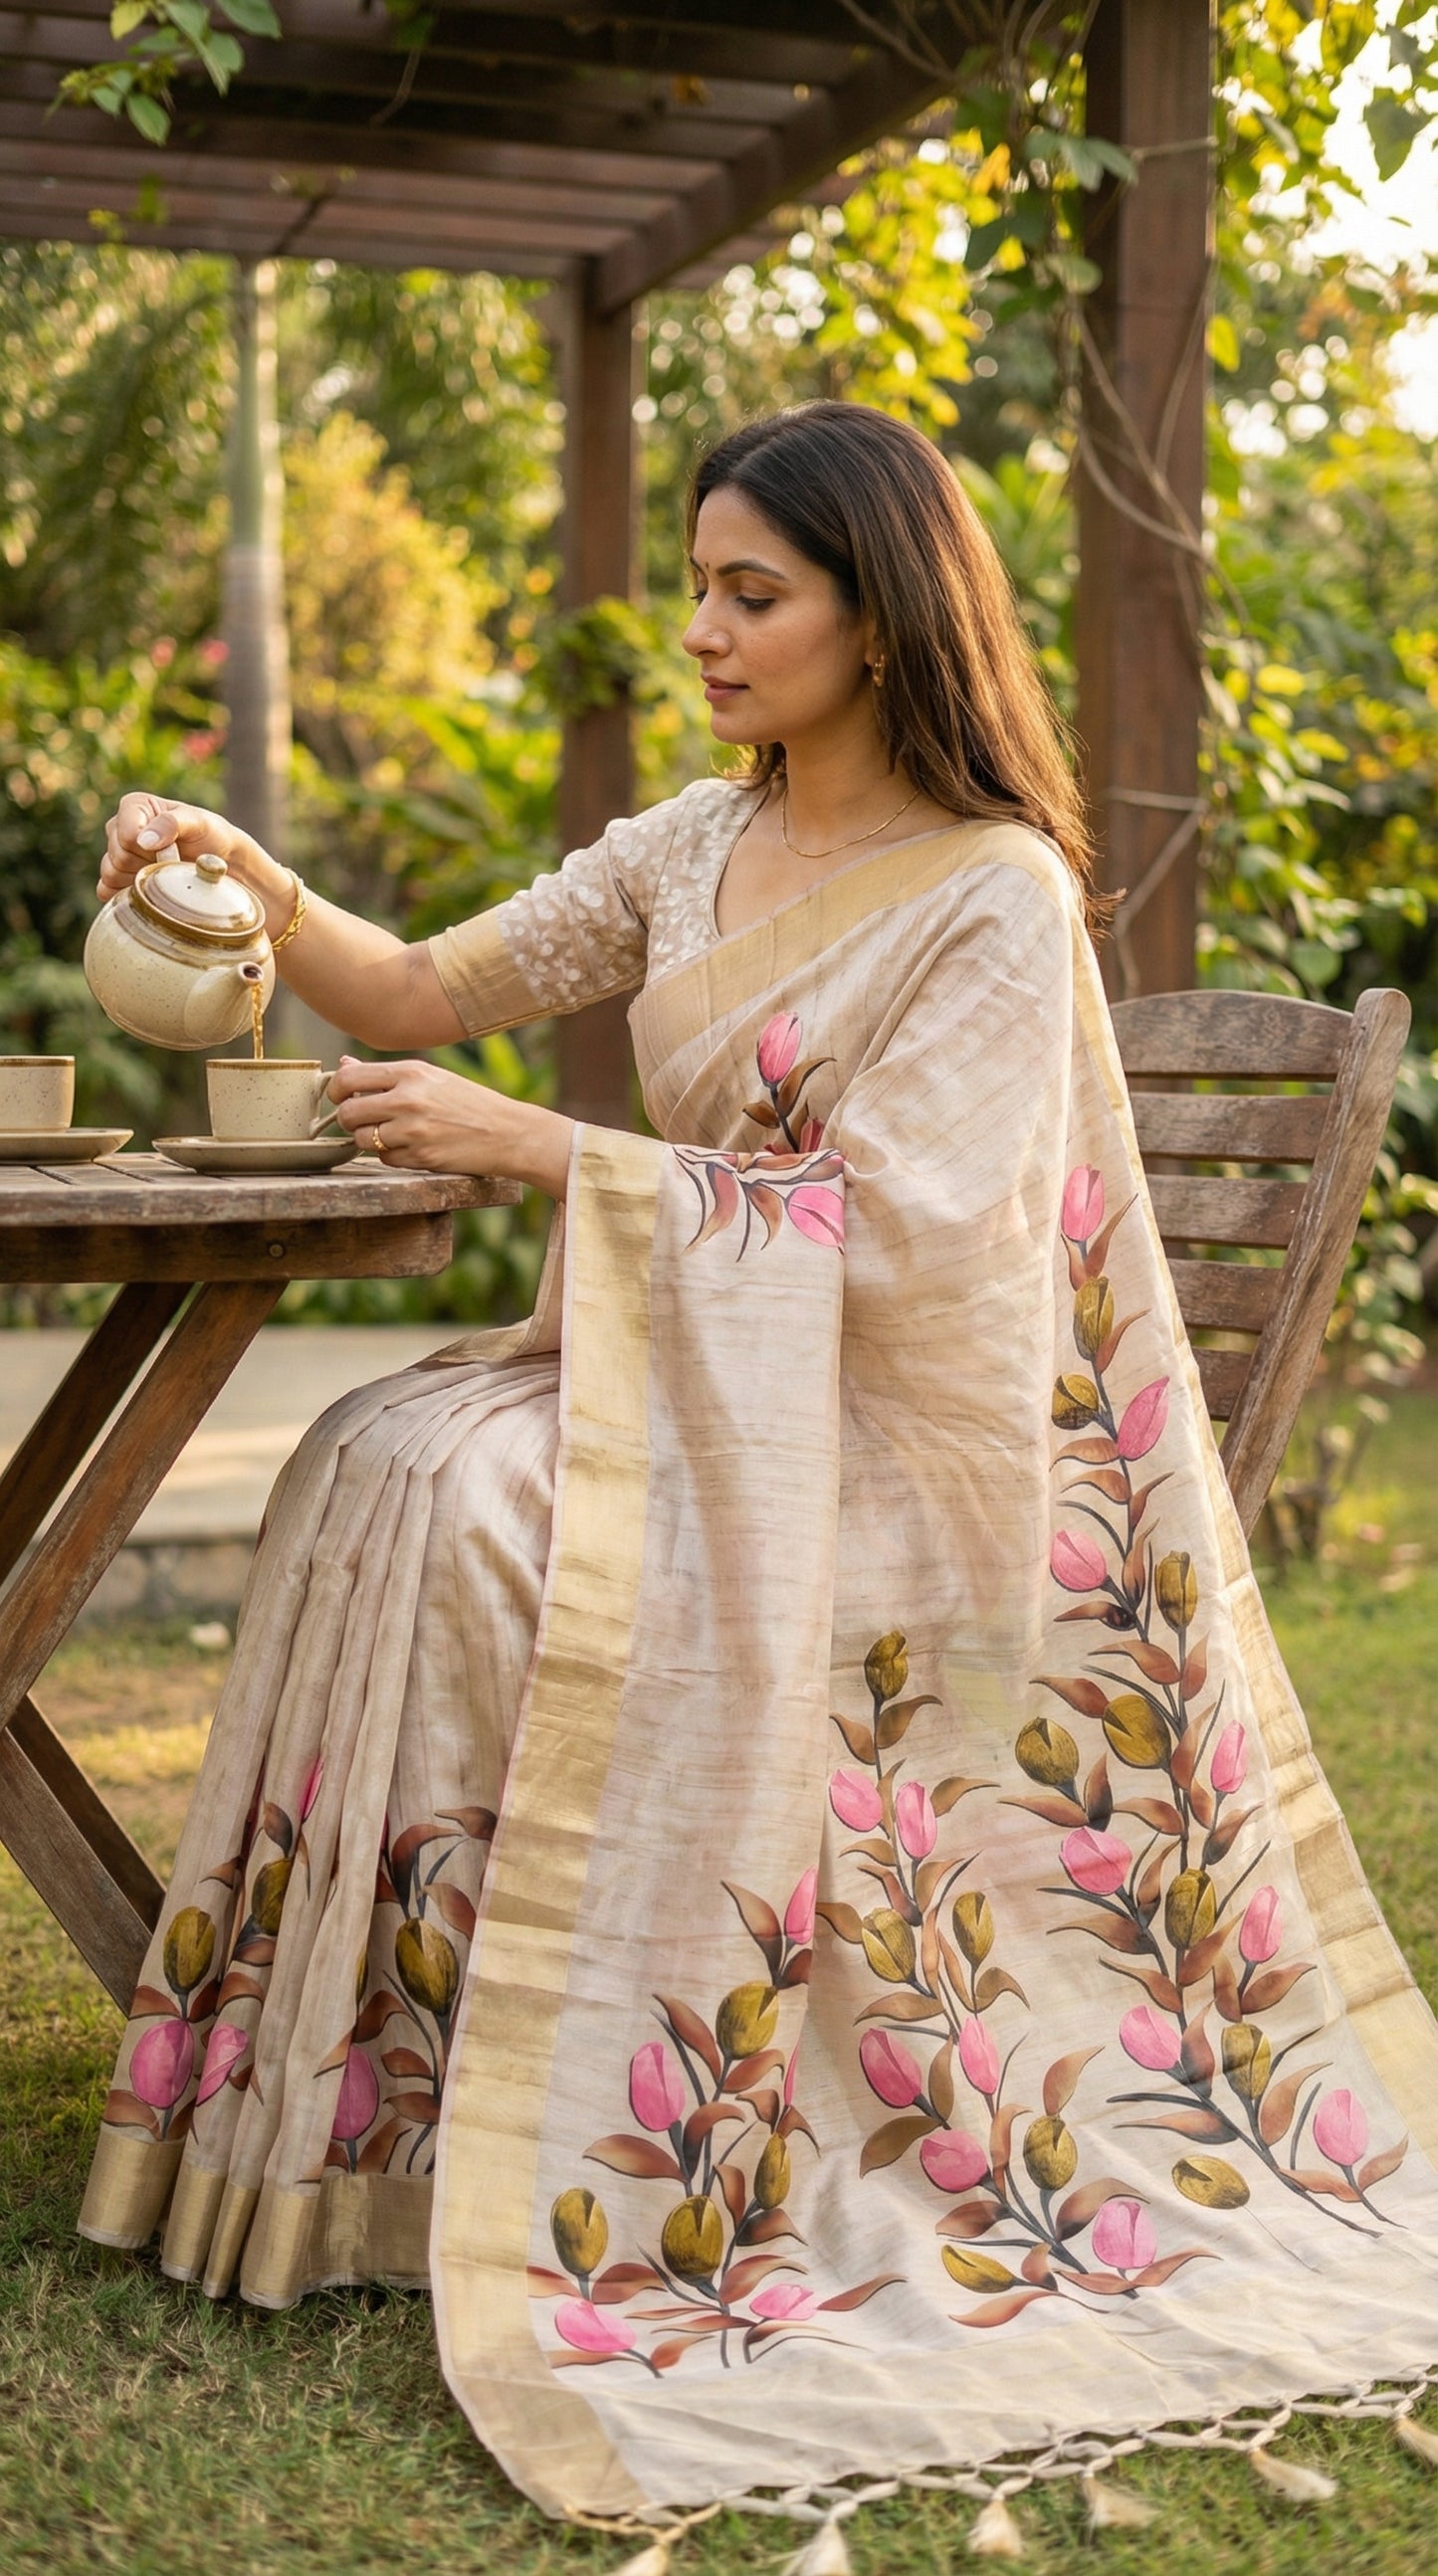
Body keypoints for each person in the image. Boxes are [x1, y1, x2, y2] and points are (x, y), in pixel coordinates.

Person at [81, 404, 1438, 2527]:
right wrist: (251, 885)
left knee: (472, 1489)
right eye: (700, 586)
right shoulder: (689, 848)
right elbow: (423, 981)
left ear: (879, 621)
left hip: (888, 1441)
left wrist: (558, 1150)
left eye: (753, 594)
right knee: (383, 1445)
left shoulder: (994, 896)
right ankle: (385, 2113)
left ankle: (527, 2105)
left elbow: (917, 1236)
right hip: (712, 1374)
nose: (704, 631)